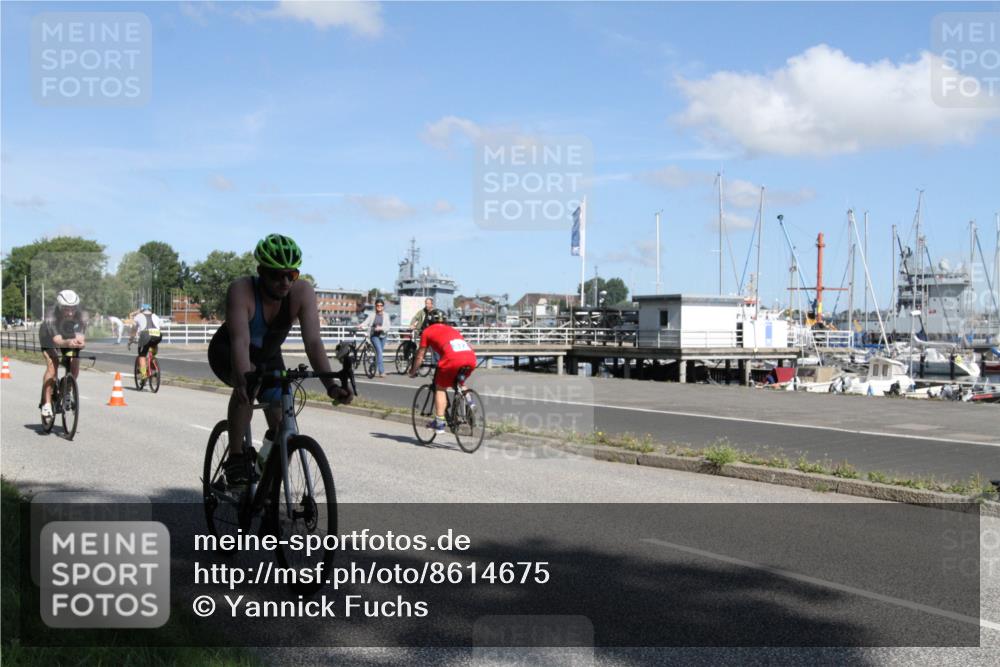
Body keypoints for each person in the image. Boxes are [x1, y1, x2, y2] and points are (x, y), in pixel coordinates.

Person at [207, 234, 352, 489]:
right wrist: (242, 380)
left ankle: (265, 481)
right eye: (277, 275)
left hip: (269, 356)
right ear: (261, 272)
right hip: (228, 350)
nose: (285, 282)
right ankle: (236, 457)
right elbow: (240, 341)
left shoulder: (302, 292)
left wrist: (331, 386)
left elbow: (313, 343)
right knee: (249, 383)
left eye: (291, 275)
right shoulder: (241, 290)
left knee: (282, 425)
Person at [408, 309, 476, 433]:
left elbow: (420, 355)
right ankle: (470, 402)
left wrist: (413, 371)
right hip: (470, 358)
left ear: (429, 321)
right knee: (459, 383)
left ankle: (439, 423)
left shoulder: (427, 331)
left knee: (440, 388)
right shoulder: (453, 330)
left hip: (452, 359)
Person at [38, 290, 88, 419]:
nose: (70, 313)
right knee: (53, 364)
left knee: (75, 362)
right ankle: (46, 404)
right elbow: (57, 340)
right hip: (48, 336)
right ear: (60, 307)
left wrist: (79, 343)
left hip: (67, 332)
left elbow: (80, 337)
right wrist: (68, 343)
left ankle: (67, 389)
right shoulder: (51, 316)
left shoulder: (81, 315)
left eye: (73, 309)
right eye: (66, 309)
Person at [358, 298, 388, 378]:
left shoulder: (386, 315)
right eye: (377, 305)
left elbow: (388, 327)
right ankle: (381, 372)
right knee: (379, 352)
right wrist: (361, 325)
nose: (379, 307)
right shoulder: (372, 315)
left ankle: (372, 367)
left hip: (383, 336)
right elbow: (366, 322)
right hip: (374, 336)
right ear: (375, 306)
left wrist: (381, 328)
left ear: (383, 306)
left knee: (378, 354)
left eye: (381, 305)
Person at [131, 304, 162, 378]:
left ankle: (144, 374)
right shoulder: (155, 316)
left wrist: (131, 339)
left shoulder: (138, 316)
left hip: (145, 335)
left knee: (142, 355)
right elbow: (160, 327)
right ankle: (153, 364)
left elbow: (134, 329)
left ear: (142, 310)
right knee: (153, 350)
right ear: (150, 310)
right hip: (158, 335)